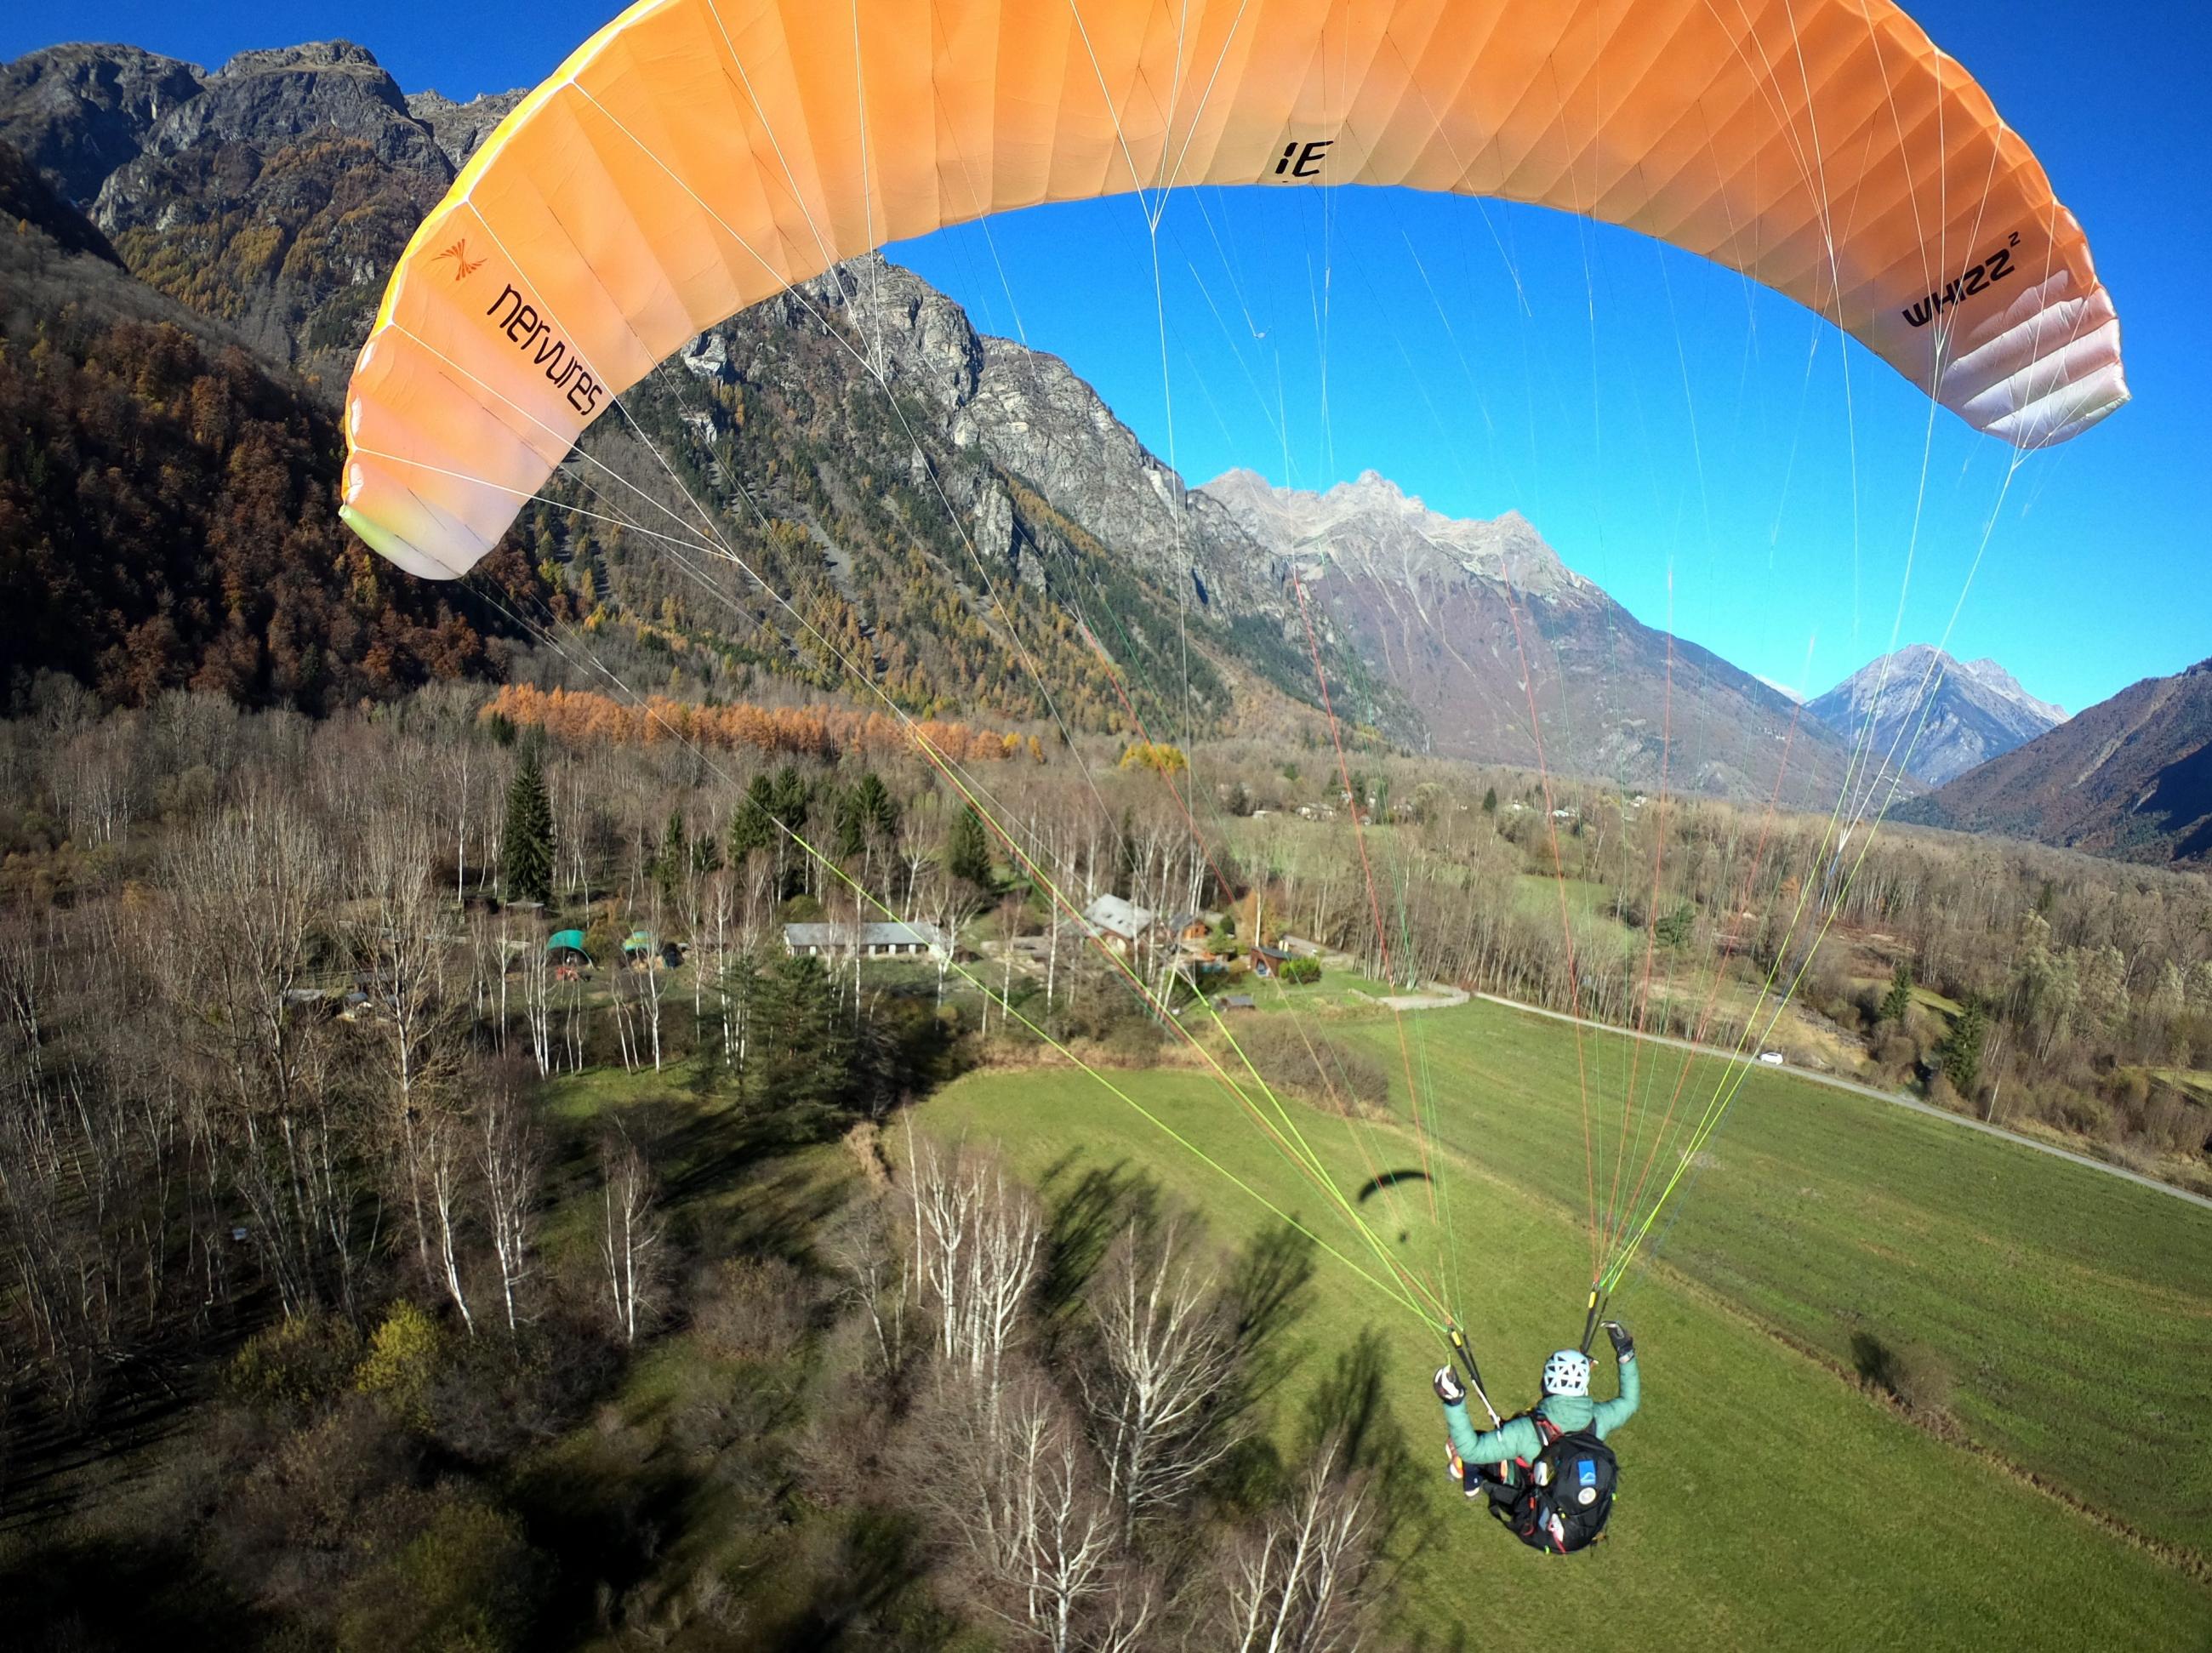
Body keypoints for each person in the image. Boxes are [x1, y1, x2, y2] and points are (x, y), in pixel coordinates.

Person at [1434, 1321, 1638, 1536]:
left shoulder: (1524, 1432)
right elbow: (1629, 1402)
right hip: (1569, 1514)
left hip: (1528, 1506)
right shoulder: (1599, 1420)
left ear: (1547, 1381)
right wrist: (1625, 1351)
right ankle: (1467, 1475)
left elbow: (1472, 1450)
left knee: (1465, 1445)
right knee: (1487, 1447)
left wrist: (1454, 1401)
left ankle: (1469, 1476)